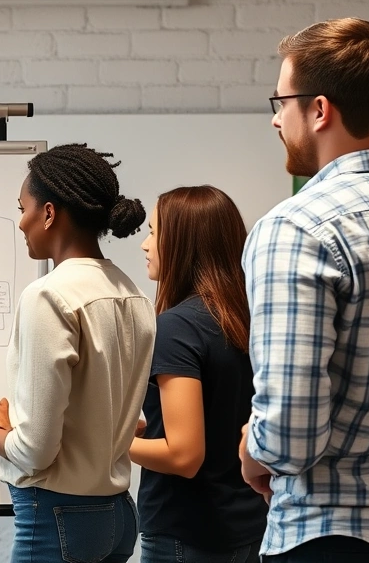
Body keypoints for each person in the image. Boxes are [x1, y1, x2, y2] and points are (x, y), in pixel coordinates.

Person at [239, 17, 369, 562]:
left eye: (280, 101)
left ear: (318, 110)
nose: (273, 119)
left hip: (330, 534)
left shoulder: (297, 229)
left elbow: (289, 436)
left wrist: (252, 449)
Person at [0, 143, 155, 563]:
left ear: (49, 213)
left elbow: (36, 450)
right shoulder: (134, 295)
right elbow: (133, 421)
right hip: (118, 516)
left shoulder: (48, 296)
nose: (21, 223)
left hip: (57, 517)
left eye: (24, 208)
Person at [129, 186, 266, 563]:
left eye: (155, 232)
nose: (145, 244)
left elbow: (184, 455)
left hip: (187, 534)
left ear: (185, 243)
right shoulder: (246, 318)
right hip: (247, 525)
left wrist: (108, 442)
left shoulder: (176, 328)